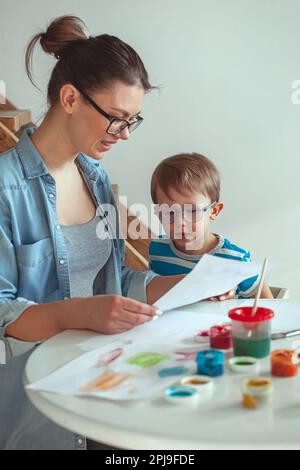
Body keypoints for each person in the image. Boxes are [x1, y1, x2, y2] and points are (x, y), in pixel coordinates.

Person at [0, 16, 211, 450]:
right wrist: (81, 313)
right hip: (36, 408)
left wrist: (188, 285)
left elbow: (118, 282)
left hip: (104, 384)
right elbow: (4, 314)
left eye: (133, 120)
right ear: (71, 98)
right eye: (117, 118)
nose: (126, 134)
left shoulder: (94, 177)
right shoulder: (6, 188)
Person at [149, 152, 273, 299]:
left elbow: (268, 304)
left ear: (214, 211)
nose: (180, 222)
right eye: (169, 212)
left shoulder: (234, 259)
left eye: (192, 211)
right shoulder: (157, 250)